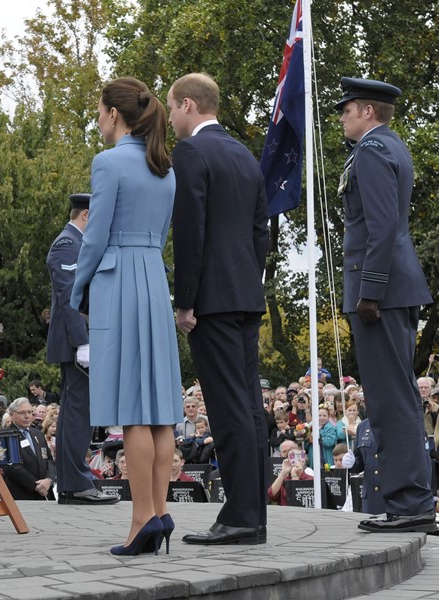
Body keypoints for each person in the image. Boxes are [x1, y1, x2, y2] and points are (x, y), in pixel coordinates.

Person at [70, 76, 182, 556]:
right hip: (153, 281)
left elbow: (94, 237)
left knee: (133, 409)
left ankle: (140, 520)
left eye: (99, 112)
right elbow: (162, 231)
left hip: (119, 283)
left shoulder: (109, 162)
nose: (98, 120)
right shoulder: (165, 168)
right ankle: (159, 511)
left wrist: (78, 288)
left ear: (114, 114)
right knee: (159, 410)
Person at [168, 73, 269, 546]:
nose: (171, 118)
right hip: (245, 295)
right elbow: (260, 230)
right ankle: (253, 515)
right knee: (248, 408)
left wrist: (185, 301)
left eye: (172, 108)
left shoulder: (191, 152)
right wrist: (248, 279)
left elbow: (190, 231)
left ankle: (240, 518)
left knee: (228, 411)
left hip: (212, 300)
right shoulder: (244, 154)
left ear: (188, 105)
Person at [335, 77, 435, 532]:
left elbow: (380, 226)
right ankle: (410, 500)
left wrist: (370, 291)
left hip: (382, 290)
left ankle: (409, 503)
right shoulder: (388, 146)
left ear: (367, 111)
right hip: (394, 287)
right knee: (396, 395)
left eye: (347, 110)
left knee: (390, 399)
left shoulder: (372, 151)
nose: (342, 118)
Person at [46, 193, 118, 507]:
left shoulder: (78, 244)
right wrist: (83, 341)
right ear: (86, 215)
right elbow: (69, 295)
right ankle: (75, 484)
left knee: (76, 412)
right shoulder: (67, 243)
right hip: (77, 341)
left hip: (81, 339)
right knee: (79, 412)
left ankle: (72, 483)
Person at [2, 398, 56, 501]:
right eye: (22, 413)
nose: (27, 416)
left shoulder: (38, 433)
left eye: (30, 412)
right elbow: (10, 467)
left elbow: (49, 460)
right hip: (21, 495)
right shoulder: (5, 436)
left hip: (45, 493)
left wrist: (49, 479)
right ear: (12, 414)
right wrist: (35, 485)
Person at [341, 418, 387, 515]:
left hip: (390, 498)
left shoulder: (398, 422)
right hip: (370, 499)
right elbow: (360, 462)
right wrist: (352, 463)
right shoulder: (363, 426)